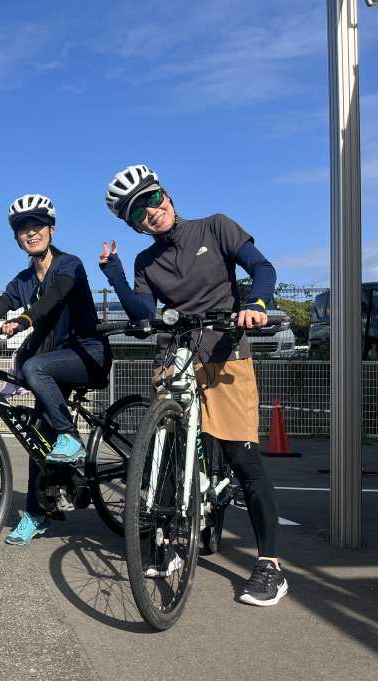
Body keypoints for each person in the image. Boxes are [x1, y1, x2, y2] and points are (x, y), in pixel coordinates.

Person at [100, 163, 287, 607]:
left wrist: (257, 304)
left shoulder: (215, 227)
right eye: (136, 214)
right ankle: (167, 538)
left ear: (164, 194)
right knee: (161, 456)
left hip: (224, 353)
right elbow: (143, 314)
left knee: (244, 458)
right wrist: (116, 276)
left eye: (150, 200)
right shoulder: (147, 261)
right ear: (132, 225)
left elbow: (261, 266)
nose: (150, 213)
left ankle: (271, 565)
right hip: (175, 356)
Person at [0, 193, 111, 546]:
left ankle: (71, 437)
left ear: (51, 229)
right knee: (37, 438)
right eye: (23, 229)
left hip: (85, 353)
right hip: (50, 363)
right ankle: (37, 514)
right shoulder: (22, 281)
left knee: (34, 367)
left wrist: (25, 319)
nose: (31, 233)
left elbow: (53, 298)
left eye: (38, 225)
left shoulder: (69, 265)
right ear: (17, 238)